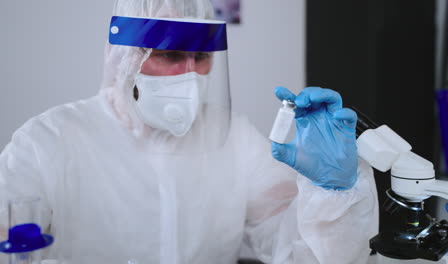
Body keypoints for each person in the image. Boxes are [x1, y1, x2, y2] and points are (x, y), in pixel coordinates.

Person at [0, 0, 379, 263]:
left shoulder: (233, 137)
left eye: (201, 56)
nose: (190, 73)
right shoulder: (48, 141)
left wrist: (332, 195)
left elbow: (301, 254)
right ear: (126, 56)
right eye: (169, 54)